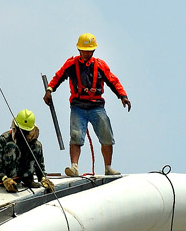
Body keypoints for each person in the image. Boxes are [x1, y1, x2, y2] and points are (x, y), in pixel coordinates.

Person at [44, 32, 130, 177]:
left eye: (89, 50)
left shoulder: (100, 65)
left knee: (106, 136)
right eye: (84, 50)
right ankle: (74, 167)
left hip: (97, 107)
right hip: (78, 107)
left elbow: (112, 81)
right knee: (76, 136)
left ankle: (108, 167)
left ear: (93, 50)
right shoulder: (71, 64)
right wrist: (49, 90)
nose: (86, 53)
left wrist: (123, 95)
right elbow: (59, 76)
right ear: (79, 50)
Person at [0, 109, 55, 193]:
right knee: (12, 147)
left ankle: (27, 179)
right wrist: (4, 178)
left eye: (26, 132)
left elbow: (40, 165)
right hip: (4, 179)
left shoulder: (32, 142)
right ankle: (9, 181)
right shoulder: (5, 139)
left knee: (37, 145)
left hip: (22, 176)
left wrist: (43, 178)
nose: (23, 134)